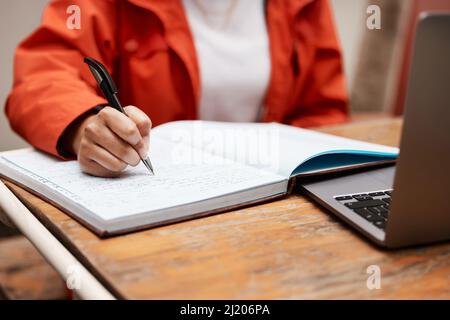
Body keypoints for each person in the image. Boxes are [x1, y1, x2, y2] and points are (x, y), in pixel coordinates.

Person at [5, 0, 348, 178]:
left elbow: (323, 110)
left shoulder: (304, 4)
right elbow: (41, 79)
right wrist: (85, 126)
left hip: (271, 204)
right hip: (146, 205)